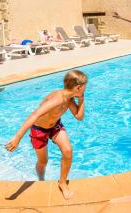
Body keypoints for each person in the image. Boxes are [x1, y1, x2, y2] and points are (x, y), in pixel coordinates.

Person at [5, 70, 87, 200]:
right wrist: (17, 137)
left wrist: (81, 99)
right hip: (39, 129)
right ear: (78, 87)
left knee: (68, 151)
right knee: (43, 161)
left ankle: (62, 182)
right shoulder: (57, 99)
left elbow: (79, 116)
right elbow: (34, 115)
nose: (85, 89)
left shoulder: (70, 99)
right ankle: (41, 179)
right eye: (84, 87)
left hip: (54, 126)